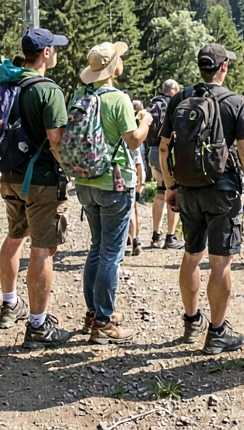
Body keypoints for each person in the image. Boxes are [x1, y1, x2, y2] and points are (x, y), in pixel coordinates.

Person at [159, 45, 244, 355]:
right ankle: (217, 332)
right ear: (224, 68)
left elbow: (164, 149)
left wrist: (170, 186)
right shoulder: (236, 102)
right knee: (220, 261)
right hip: (224, 189)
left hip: (187, 188)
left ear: (200, 68)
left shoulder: (179, 98)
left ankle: (191, 321)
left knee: (191, 254)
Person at [0, 28, 74, 349]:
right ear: (45, 54)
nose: (56, 52)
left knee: (15, 237)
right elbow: (56, 140)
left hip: (9, 176)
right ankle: (38, 325)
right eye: (54, 48)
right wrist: (71, 170)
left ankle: (8, 304)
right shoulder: (47, 90)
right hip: (40, 180)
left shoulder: (7, 84)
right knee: (42, 249)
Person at [73, 42, 152, 345]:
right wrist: (145, 121)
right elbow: (133, 142)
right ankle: (104, 322)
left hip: (85, 182)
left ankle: (93, 313)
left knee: (96, 247)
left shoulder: (80, 95)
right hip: (115, 183)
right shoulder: (118, 99)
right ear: (113, 68)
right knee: (110, 254)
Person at [146, 80, 183, 250]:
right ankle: (170, 236)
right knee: (173, 192)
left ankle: (155, 235)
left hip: (153, 151)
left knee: (160, 192)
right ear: (174, 90)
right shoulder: (175, 105)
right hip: (170, 152)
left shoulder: (153, 105)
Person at [127, 99, 146, 257]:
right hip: (130, 175)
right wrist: (142, 181)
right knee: (133, 209)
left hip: (111, 174)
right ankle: (135, 240)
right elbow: (138, 161)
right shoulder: (133, 132)